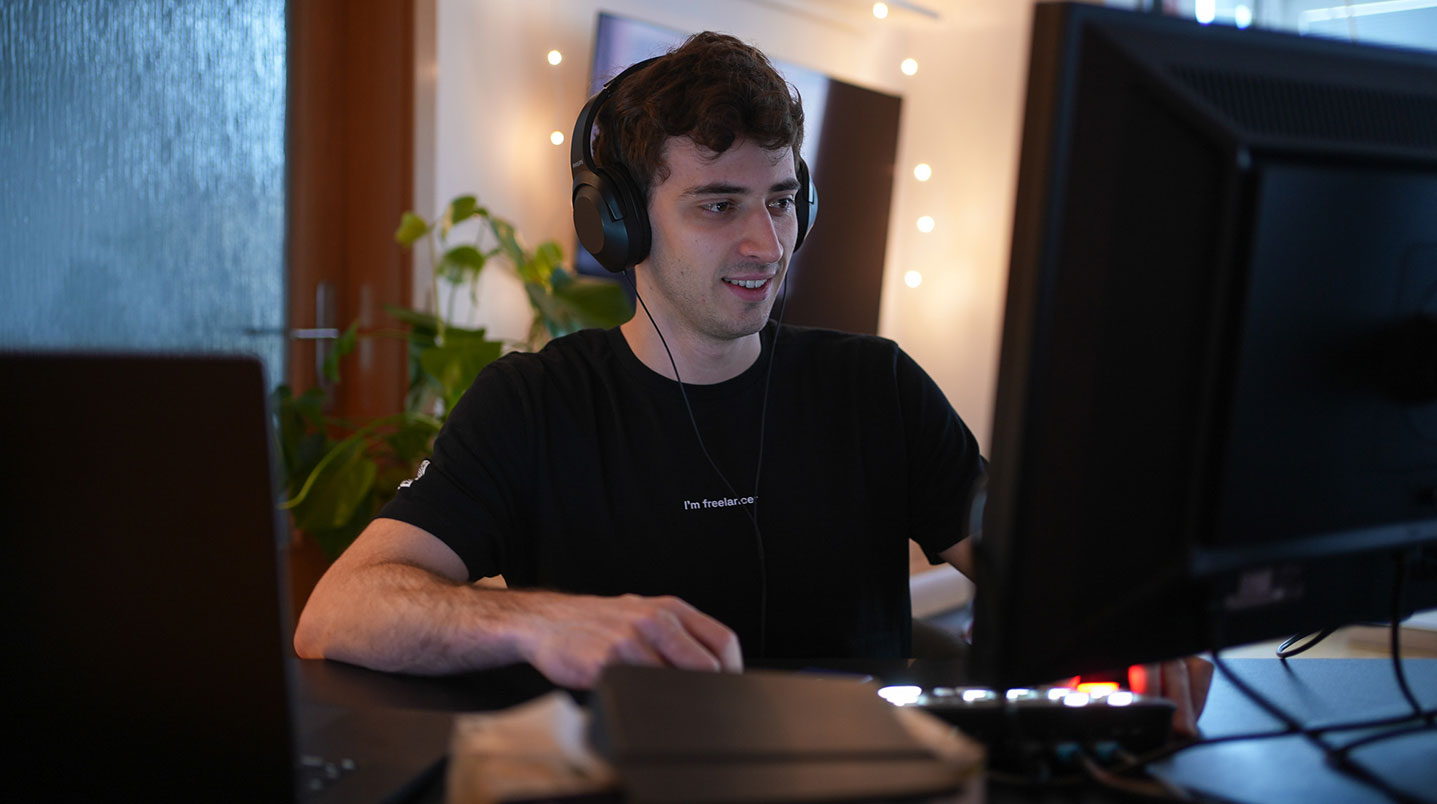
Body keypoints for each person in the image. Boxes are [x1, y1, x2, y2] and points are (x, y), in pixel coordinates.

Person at [293, 30, 1209, 734]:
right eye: (718, 204)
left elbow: (1031, 566)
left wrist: (1130, 617)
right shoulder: (533, 403)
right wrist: (538, 622)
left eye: (778, 200)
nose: (766, 244)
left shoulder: (876, 386)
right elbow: (338, 610)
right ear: (620, 225)